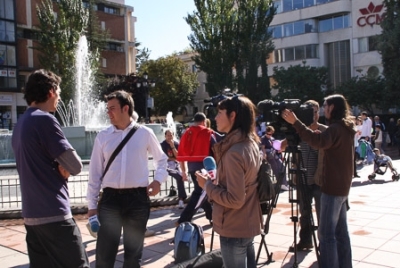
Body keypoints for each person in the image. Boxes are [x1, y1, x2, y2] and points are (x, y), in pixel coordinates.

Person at [11, 69, 89, 267]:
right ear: (51, 91)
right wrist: (62, 165)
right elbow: (75, 165)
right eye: (59, 93)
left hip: (31, 216)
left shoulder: (21, 123)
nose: (59, 99)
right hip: (54, 214)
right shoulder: (44, 119)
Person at [86, 90, 168, 268]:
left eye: (112, 108)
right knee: (104, 255)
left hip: (137, 199)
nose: (108, 112)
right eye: (108, 108)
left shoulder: (145, 133)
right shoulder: (103, 136)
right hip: (110, 200)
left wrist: (158, 180)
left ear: (126, 108)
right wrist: (92, 206)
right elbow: (94, 173)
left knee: (133, 256)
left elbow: (162, 160)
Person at [281, 94, 354, 268]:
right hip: (341, 187)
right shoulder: (343, 127)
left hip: (331, 188)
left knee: (326, 234)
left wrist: (296, 122)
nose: (323, 110)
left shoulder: (335, 128)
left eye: (326, 106)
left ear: (333, 108)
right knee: (341, 232)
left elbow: (317, 142)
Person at [196, 95, 263, 268]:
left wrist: (207, 186)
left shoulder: (234, 151)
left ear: (232, 116)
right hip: (246, 223)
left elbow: (235, 199)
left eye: (219, 112)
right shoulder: (250, 143)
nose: (215, 117)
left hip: (234, 227)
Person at [292, 100, 327, 251]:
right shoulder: (299, 130)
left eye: (313, 112)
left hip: (319, 180)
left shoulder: (325, 130)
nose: (311, 115)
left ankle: (324, 243)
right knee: (304, 213)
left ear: (318, 113)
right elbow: (284, 146)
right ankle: (305, 240)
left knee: (322, 214)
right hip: (303, 179)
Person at [176, 112, 216, 225]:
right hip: (205, 168)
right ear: (204, 121)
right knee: (200, 193)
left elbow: (181, 152)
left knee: (203, 192)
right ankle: (184, 219)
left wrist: (184, 171)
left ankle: (211, 216)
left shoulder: (187, 132)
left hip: (192, 167)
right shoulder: (208, 132)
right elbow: (216, 148)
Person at [160, 129, 187, 209]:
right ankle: (182, 197)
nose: (169, 137)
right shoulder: (162, 145)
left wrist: (172, 146)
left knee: (180, 177)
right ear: (165, 136)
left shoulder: (176, 144)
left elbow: (178, 157)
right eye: (168, 135)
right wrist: (173, 158)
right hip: (165, 166)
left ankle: (181, 199)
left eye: (171, 135)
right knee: (179, 176)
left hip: (175, 165)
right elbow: (164, 158)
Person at [261, 126, 289, 191]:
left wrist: (279, 150)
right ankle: (281, 183)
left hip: (275, 154)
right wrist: (264, 154)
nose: (269, 135)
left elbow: (276, 146)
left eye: (270, 134)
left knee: (282, 166)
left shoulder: (272, 139)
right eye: (268, 134)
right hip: (269, 155)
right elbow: (263, 147)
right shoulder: (264, 138)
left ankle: (284, 183)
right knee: (276, 168)